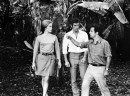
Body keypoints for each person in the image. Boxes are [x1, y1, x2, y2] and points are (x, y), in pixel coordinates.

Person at [66, 23, 112, 96]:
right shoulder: (90, 42)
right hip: (90, 68)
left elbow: (109, 56)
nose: (89, 32)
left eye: (91, 31)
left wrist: (106, 70)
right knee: (84, 85)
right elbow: (78, 44)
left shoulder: (104, 43)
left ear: (96, 33)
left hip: (100, 68)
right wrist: (70, 38)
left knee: (103, 89)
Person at [32, 19, 61, 96]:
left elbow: (57, 50)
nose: (51, 28)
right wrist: (33, 62)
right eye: (50, 26)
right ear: (45, 27)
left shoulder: (54, 37)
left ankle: (44, 94)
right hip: (41, 58)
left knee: (47, 77)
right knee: (43, 77)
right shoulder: (39, 38)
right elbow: (35, 51)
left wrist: (59, 60)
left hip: (51, 58)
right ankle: (45, 93)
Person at [62, 18, 89, 96]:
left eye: (78, 25)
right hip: (72, 57)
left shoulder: (84, 34)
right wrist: (66, 61)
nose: (77, 27)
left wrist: (84, 57)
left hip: (82, 56)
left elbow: (86, 47)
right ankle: (76, 94)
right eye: (75, 25)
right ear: (71, 25)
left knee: (83, 77)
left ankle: (84, 94)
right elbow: (64, 49)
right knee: (73, 78)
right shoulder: (67, 35)